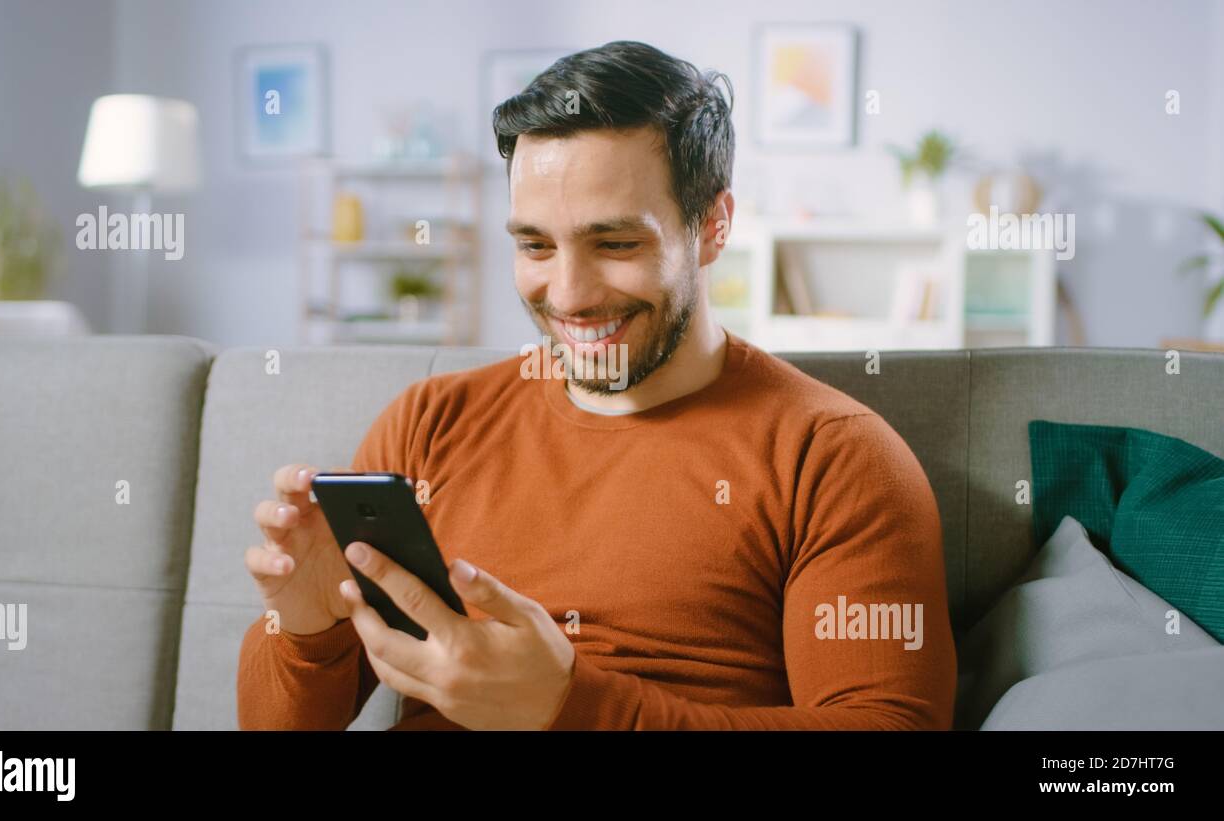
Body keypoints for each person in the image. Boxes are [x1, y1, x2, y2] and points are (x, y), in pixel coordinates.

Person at [237, 40, 955, 730]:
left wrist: (568, 708)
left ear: (713, 226)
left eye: (615, 243)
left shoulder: (835, 457)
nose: (570, 294)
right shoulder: (431, 421)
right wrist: (305, 629)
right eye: (535, 245)